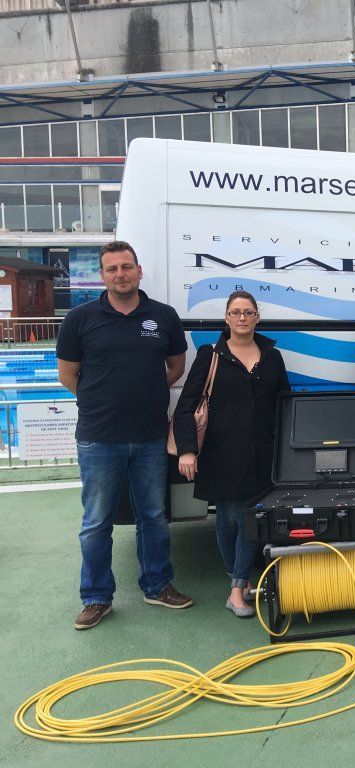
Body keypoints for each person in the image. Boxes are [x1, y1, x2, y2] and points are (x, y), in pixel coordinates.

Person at [56, 240, 192, 630]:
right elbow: (68, 375)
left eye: (127, 267)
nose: (121, 274)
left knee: (153, 516)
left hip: (150, 437)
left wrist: (143, 396)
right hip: (99, 438)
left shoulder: (162, 317)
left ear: (139, 270)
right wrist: (103, 400)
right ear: (102, 275)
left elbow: (175, 368)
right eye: (112, 268)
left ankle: (157, 585)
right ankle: (97, 597)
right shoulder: (80, 319)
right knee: (96, 521)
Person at [173, 290, 290, 618]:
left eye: (248, 312)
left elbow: (285, 402)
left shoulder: (271, 356)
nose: (242, 318)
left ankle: (237, 589)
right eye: (236, 312)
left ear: (257, 318)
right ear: (226, 318)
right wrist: (186, 451)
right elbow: (186, 405)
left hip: (262, 454)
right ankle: (237, 581)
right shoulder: (211, 355)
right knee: (226, 519)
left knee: (248, 519)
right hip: (221, 453)